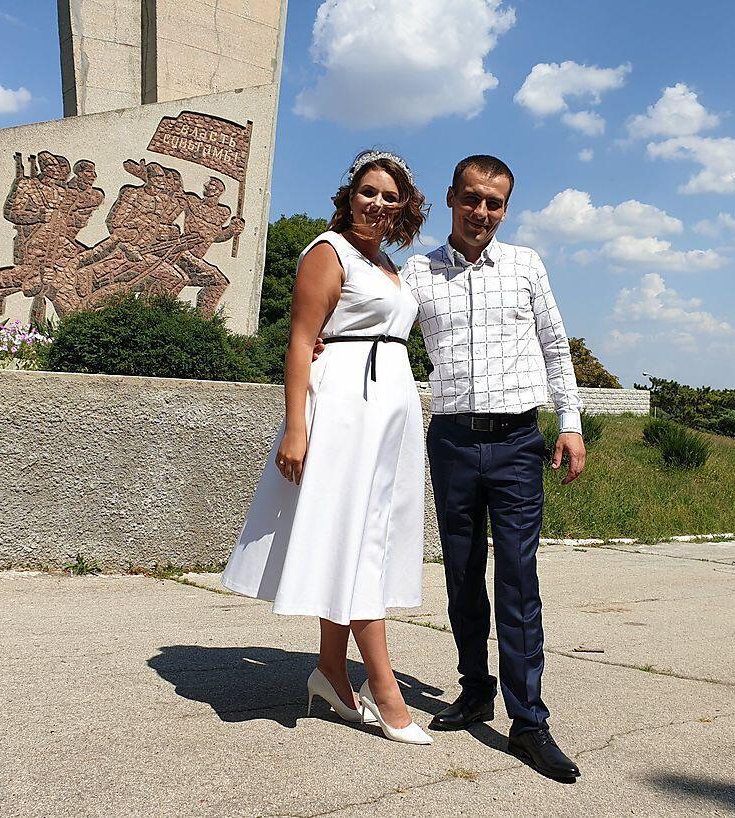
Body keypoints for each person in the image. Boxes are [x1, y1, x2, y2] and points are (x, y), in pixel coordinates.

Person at [221, 150, 432, 745]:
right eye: (368, 191)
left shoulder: (386, 263)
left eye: (390, 196)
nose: (377, 203)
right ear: (349, 195)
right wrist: (296, 427)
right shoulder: (328, 251)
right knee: (359, 543)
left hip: (387, 411)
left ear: (404, 207)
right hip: (344, 409)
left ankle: (331, 672)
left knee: (361, 536)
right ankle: (385, 693)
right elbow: (300, 341)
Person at [401, 155, 586, 780]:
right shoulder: (418, 273)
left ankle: (528, 721)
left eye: (495, 203)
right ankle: (475, 689)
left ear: (505, 208)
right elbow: (380, 331)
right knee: (460, 574)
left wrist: (570, 424)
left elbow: (555, 346)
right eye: (472, 198)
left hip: (517, 443)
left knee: (517, 578)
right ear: (452, 197)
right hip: (452, 442)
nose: (482, 212)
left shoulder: (526, 265)